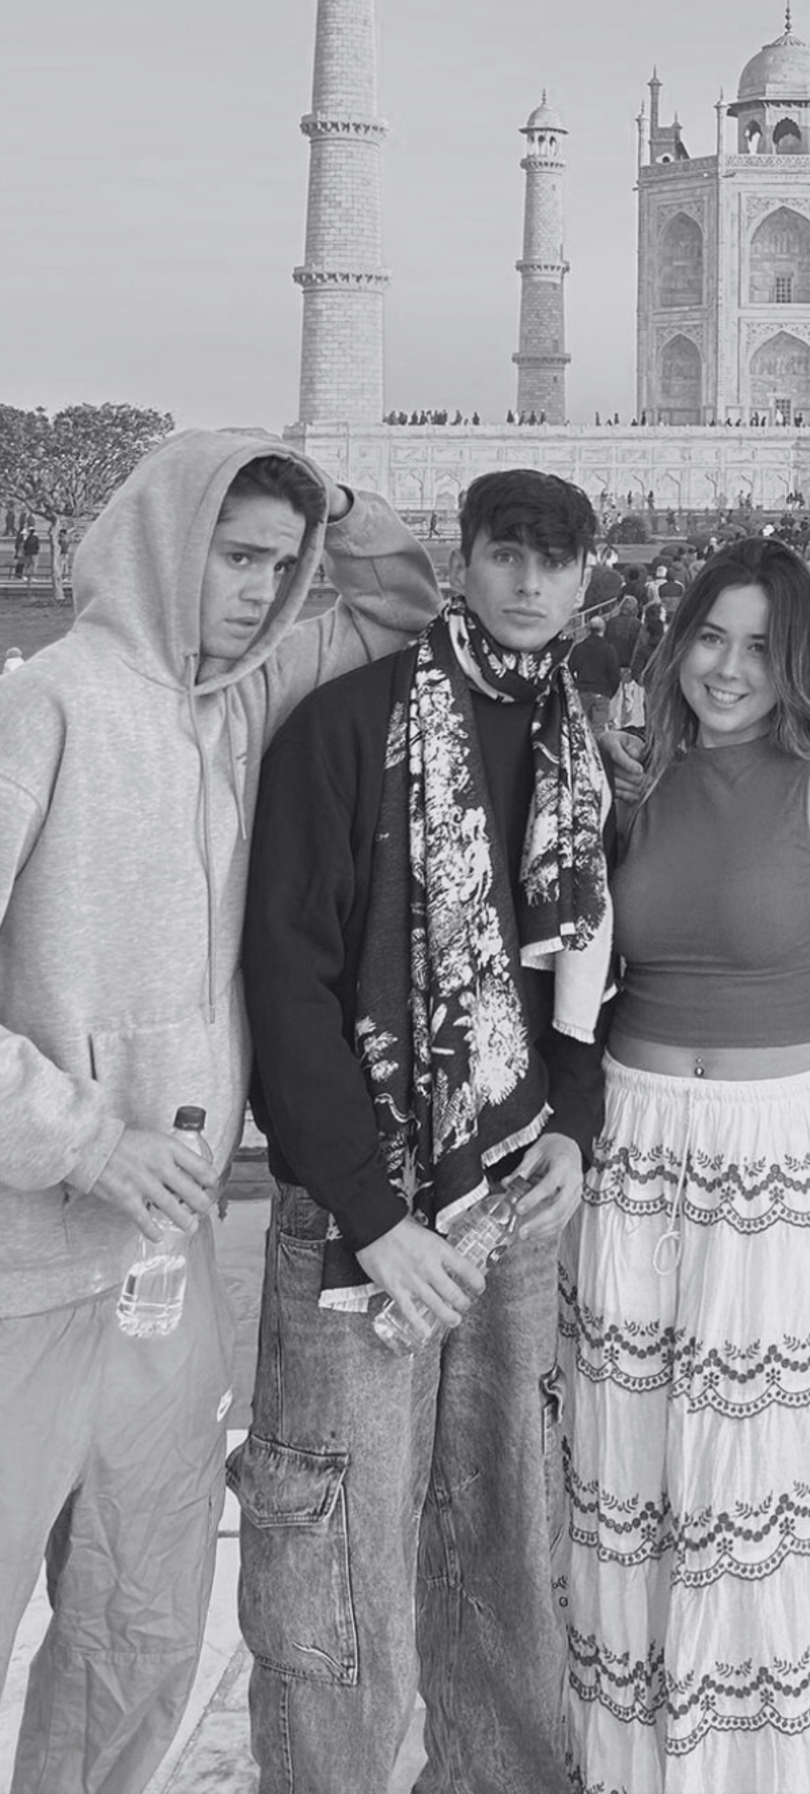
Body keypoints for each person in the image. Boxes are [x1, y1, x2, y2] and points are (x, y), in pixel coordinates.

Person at [0, 432, 438, 1793]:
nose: (260, 591)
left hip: (163, 1255)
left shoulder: (240, 705)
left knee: (141, 1619)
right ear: (160, 542)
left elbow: (399, 601)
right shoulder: (49, 702)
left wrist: (326, 496)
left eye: (277, 563)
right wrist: (86, 1136)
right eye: (233, 555)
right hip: (26, 1255)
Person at [234, 468, 609, 1794]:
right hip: (362, 1221)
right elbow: (288, 987)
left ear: (585, 581)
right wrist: (378, 1215)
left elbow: (582, 968)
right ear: (465, 561)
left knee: (507, 1534)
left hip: (509, 1203)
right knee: (335, 1556)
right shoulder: (348, 729)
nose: (527, 584)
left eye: (553, 562)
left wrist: (570, 1121)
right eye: (507, 554)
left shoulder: (577, 745)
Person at [561, 537, 810, 1790]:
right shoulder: (633, 777)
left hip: (788, 1155)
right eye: (711, 638)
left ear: (801, 662)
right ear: (677, 643)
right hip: (638, 1149)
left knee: (763, 1480)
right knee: (640, 1464)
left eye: (762, 647)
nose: (730, 669)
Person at [568, 606, 622, 735]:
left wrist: (576, 685)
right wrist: (610, 692)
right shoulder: (608, 649)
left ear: (587, 629)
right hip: (602, 693)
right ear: (603, 630)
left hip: (583, 691)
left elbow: (568, 670)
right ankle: (597, 754)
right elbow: (615, 674)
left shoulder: (579, 648)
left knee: (582, 729)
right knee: (598, 729)